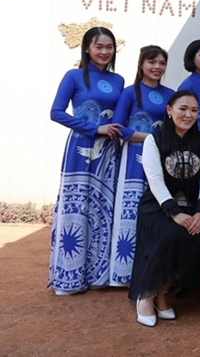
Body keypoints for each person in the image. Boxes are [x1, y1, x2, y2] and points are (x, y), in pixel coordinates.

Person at [49, 27, 125, 294]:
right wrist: (94, 128)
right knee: (77, 205)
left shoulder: (119, 80)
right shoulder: (73, 76)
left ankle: (97, 275)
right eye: (98, 46)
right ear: (87, 48)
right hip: (81, 147)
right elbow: (56, 112)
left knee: (104, 208)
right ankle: (68, 278)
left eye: (109, 47)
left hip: (109, 151)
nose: (104, 52)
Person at [129, 90, 200, 327]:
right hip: (157, 206)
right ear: (169, 110)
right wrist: (174, 212)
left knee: (196, 237)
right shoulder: (154, 140)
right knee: (168, 235)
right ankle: (147, 296)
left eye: (194, 110)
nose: (189, 115)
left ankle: (163, 293)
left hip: (193, 207)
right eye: (182, 109)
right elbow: (155, 180)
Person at [109, 45, 174, 287]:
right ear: (141, 64)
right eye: (152, 62)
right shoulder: (129, 93)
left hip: (162, 157)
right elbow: (118, 128)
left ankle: (153, 271)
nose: (157, 67)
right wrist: (151, 138)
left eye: (162, 63)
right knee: (131, 210)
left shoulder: (171, 94)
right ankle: (125, 273)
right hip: (134, 157)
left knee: (157, 210)